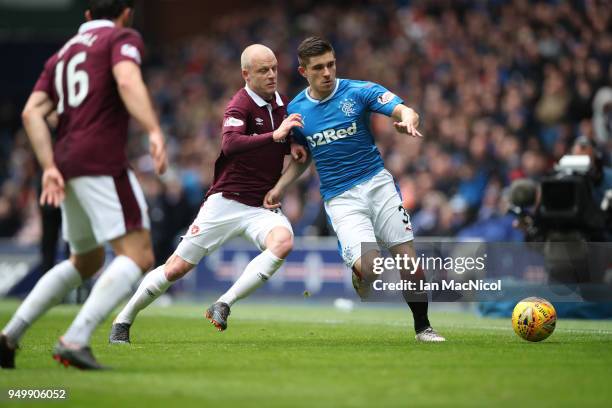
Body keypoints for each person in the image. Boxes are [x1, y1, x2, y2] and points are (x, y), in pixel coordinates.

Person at [0, 0, 168, 370]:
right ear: (127, 12)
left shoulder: (62, 54)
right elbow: (126, 79)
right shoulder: (122, 37)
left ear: (87, 15)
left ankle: (9, 335)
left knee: (86, 259)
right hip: (101, 160)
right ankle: (75, 339)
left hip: (66, 160)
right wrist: (154, 129)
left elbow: (32, 112)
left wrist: (47, 167)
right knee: (139, 255)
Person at [108, 44, 306, 343]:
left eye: (274, 68)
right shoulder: (239, 104)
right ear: (246, 74)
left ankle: (223, 303)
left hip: (260, 206)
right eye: (263, 70)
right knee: (176, 268)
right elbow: (230, 144)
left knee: (283, 242)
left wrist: (290, 148)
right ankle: (123, 320)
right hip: (226, 202)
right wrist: (275, 136)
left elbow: (295, 146)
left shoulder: (282, 103)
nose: (271, 75)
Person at [264, 37, 445, 342]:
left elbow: (404, 110)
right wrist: (280, 187)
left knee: (408, 261)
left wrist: (408, 120)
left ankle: (423, 328)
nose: (327, 72)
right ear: (303, 71)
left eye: (331, 64)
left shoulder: (359, 91)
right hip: (340, 199)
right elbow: (302, 157)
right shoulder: (295, 111)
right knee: (372, 270)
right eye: (318, 67)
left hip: (377, 184)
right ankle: (361, 275)